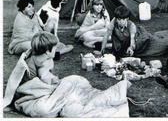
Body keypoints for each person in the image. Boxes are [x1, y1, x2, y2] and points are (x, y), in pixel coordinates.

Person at [3, 31, 131, 117]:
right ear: (47, 51)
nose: (56, 50)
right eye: (55, 48)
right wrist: (54, 81)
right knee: (71, 87)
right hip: (34, 91)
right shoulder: (45, 61)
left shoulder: (33, 57)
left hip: (27, 90)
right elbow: (44, 77)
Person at [8, 0, 73, 56]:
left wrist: (42, 35)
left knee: (53, 43)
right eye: (29, 7)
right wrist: (38, 36)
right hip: (20, 43)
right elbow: (23, 35)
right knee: (34, 46)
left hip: (36, 38)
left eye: (32, 6)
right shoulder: (20, 19)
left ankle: (52, 52)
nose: (32, 9)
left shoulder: (34, 16)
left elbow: (39, 29)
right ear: (23, 9)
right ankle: (54, 54)